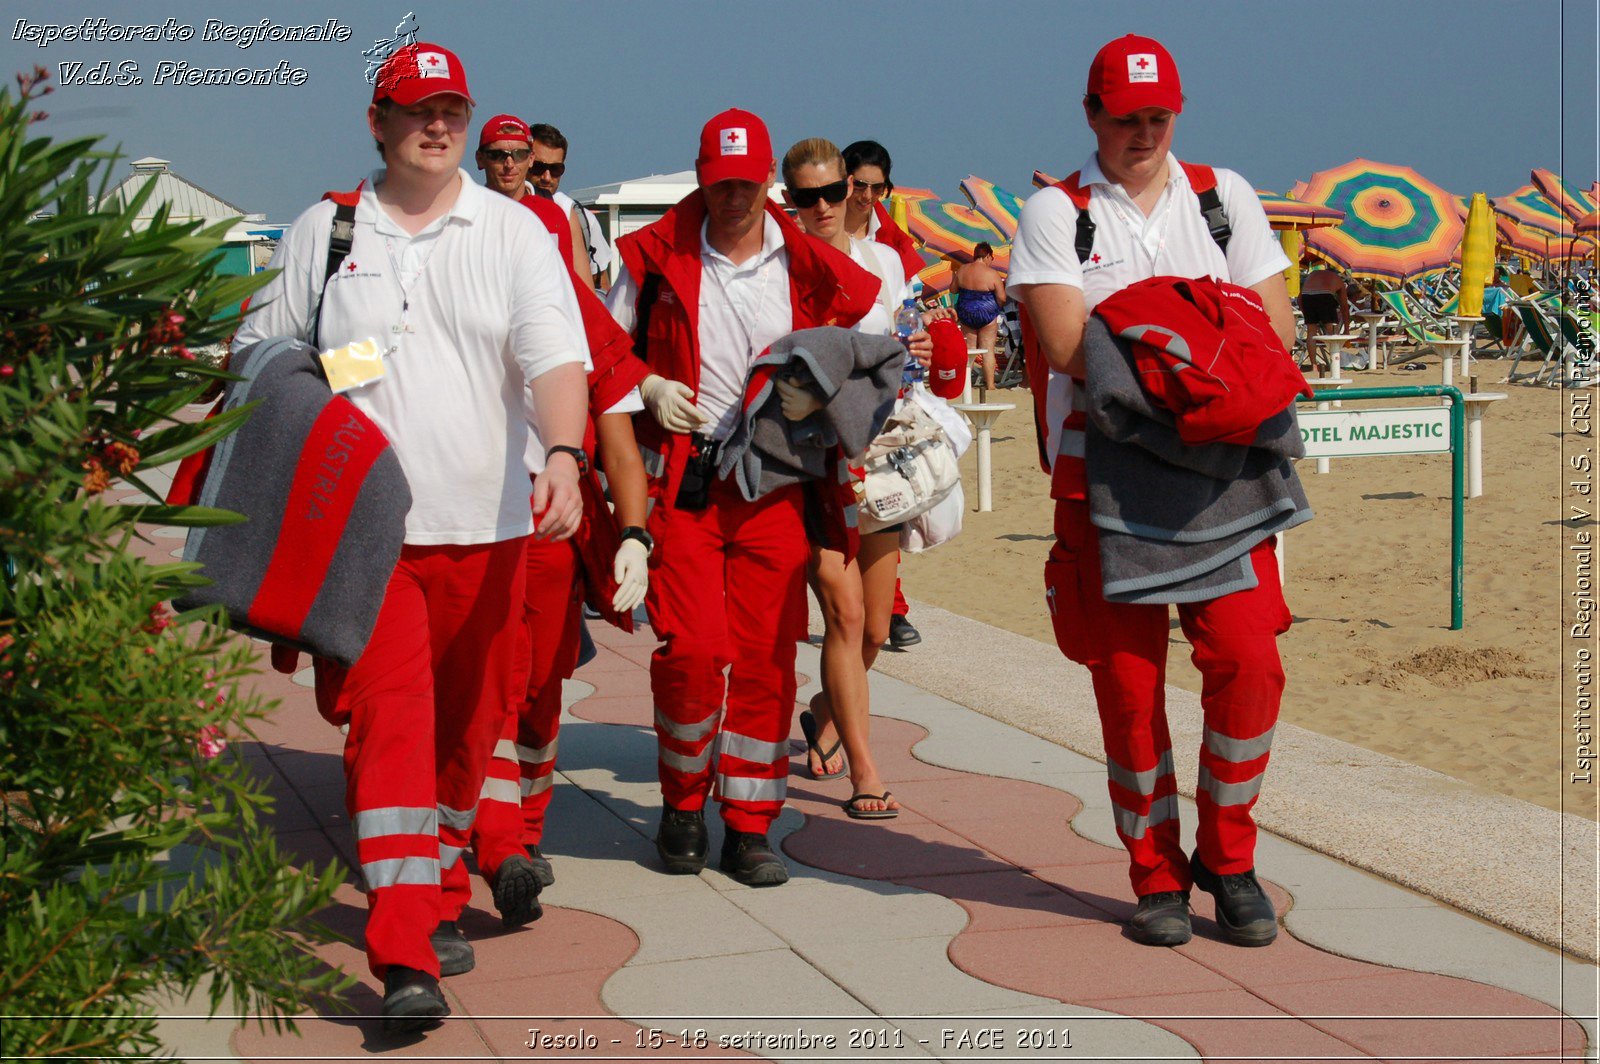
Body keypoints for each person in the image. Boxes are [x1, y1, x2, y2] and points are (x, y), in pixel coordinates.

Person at [233, 43, 590, 1033]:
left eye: (451, 109)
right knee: (390, 724)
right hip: (368, 533)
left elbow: (554, 355)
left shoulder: (515, 231)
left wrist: (563, 452)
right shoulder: (328, 229)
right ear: (378, 124)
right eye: (415, 109)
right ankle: (402, 951)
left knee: (468, 733)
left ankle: (433, 890)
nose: (436, 124)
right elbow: (263, 354)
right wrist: (350, 361)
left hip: (490, 525)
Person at [1008, 34, 1296, 950]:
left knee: (1251, 662)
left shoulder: (1224, 197)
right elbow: (1063, 347)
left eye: (1158, 116)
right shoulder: (1058, 213)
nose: (1143, 132)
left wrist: (1137, 332)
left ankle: (1230, 856)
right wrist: (1201, 329)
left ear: (1177, 113)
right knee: (1129, 690)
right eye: (1125, 117)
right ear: (1090, 114)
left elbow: (1275, 333)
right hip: (1103, 480)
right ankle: (1154, 874)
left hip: (1224, 474)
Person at [605, 109, 879, 886]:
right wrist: (648, 384)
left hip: (775, 486)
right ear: (701, 176)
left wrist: (822, 393)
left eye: (745, 183)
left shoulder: (807, 265)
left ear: (767, 180)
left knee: (764, 659)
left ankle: (751, 824)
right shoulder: (651, 258)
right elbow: (601, 355)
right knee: (692, 651)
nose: (732, 197)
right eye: (718, 183)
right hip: (683, 487)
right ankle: (684, 805)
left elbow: (867, 343)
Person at [464, 114, 652, 925]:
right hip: (457, 512)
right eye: (503, 160)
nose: (518, 172)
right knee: (480, 685)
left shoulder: (568, 301)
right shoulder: (443, 263)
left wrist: (635, 532)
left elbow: (611, 410)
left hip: (544, 514)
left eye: (533, 169)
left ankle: (520, 836)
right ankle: (492, 844)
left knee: (539, 687)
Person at [779, 136, 936, 819]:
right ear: (787, 200)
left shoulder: (885, 262)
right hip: (812, 463)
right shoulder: (779, 265)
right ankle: (865, 772)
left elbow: (907, 347)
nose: (821, 207)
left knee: (873, 629)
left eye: (832, 193)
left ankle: (825, 708)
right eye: (804, 197)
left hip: (880, 458)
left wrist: (919, 347)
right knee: (841, 614)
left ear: (852, 191)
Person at [841, 138, 923, 650]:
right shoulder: (805, 238)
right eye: (858, 185)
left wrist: (920, 357)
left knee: (883, 510)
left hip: (882, 415)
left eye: (877, 187)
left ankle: (889, 609)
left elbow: (908, 322)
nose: (866, 196)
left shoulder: (890, 250)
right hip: (825, 417)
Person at [528, 122, 613, 289]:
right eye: (539, 167)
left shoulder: (583, 219)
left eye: (556, 169)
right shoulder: (505, 212)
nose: (547, 177)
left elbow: (601, 286)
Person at [953, 242, 1008, 389]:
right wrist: (997, 307)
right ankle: (990, 385)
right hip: (987, 313)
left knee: (970, 349)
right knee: (988, 349)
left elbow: (953, 290)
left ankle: (965, 385)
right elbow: (1002, 298)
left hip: (966, 313)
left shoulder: (962, 270)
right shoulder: (993, 274)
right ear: (988, 256)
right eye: (992, 258)